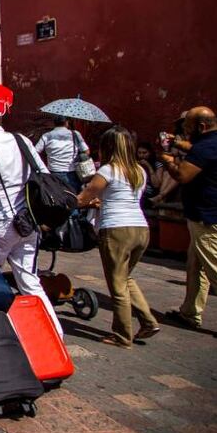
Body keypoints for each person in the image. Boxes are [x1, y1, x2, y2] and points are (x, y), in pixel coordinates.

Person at [0, 97, 64, 337]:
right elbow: (42, 173)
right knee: (30, 282)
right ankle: (54, 333)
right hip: (27, 222)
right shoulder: (21, 140)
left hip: (0, 224)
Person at [75, 126, 160, 348]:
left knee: (117, 285)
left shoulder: (108, 171)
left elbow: (83, 198)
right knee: (126, 277)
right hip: (140, 227)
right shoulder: (139, 171)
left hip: (116, 229)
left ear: (108, 147)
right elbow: (121, 197)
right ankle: (148, 321)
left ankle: (122, 335)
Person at [159, 106, 217, 329]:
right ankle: (190, 313)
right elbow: (194, 148)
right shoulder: (210, 143)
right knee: (195, 266)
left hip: (207, 217)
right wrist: (176, 142)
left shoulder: (204, 148)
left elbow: (183, 175)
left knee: (214, 268)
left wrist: (167, 161)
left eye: (188, 127)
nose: (185, 131)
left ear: (201, 127)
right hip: (206, 214)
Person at [35, 116, 90, 193]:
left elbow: (35, 152)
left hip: (53, 173)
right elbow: (86, 151)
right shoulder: (75, 134)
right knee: (72, 197)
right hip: (72, 173)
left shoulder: (47, 136)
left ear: (54, 123)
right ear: (66, 123)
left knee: (57, 198)